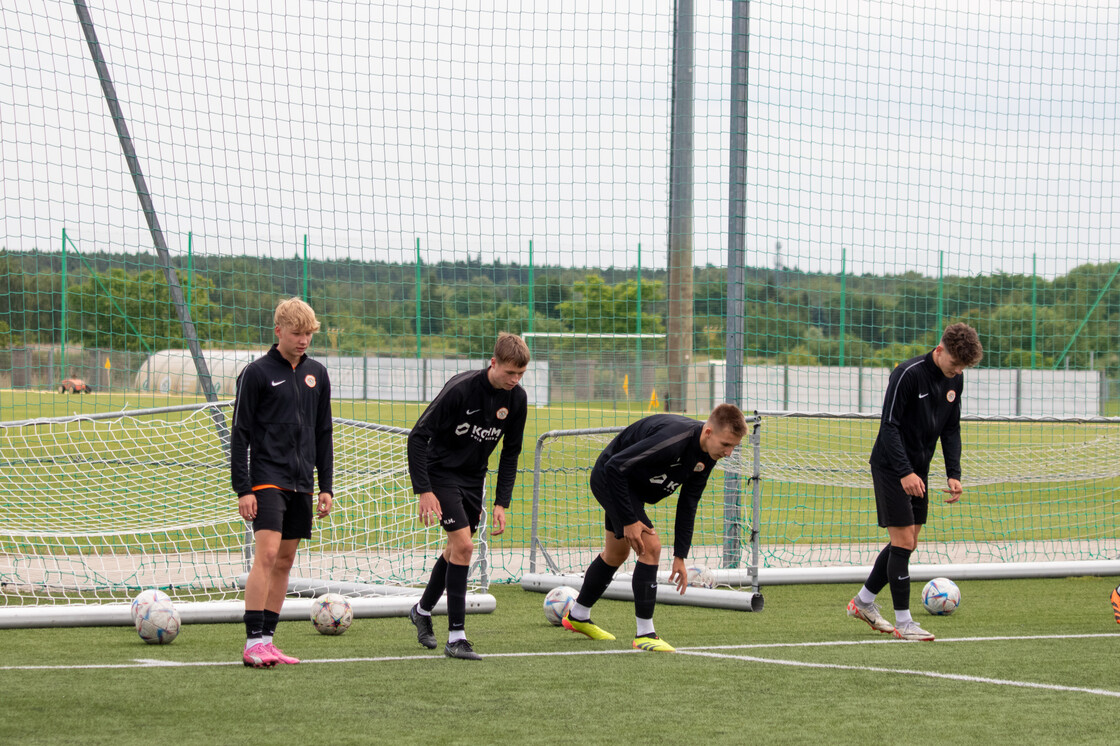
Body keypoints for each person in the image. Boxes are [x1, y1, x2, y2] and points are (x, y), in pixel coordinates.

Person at [561, 403, 748, 652]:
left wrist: (680, 556)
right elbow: (615, 467)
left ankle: (578, 615)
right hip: (611, 479)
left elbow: (688, 503)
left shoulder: (707, 456)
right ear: (708, 432)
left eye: (734, 446)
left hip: (632, 488)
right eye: (726, 444)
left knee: (616, 554)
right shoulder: (674, 439)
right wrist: (629, 520)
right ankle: (645, 634)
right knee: (651, 547)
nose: (729, 453)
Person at [847, 322, 982, 641]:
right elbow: (889, 426)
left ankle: (863, 602)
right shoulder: (907, 374)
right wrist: (905, 472)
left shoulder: (956, 380)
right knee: (904, 542)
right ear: (940, 350)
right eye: (954, 363)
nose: (957, 371)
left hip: (918, 470)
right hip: (891, 466)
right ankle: (904, 623)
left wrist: (954, 473)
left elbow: (951, 428)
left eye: (962, 367)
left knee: (906, 543)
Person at [407, 333, 530, 660]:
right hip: (441, 471)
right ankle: (457, 637)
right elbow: (418, 437)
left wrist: (502, 501)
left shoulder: (517, 399)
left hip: (473, 478)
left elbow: (511, 453)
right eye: (509, 373)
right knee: (463, 546)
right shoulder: (461, 389)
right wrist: (424, 490)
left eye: (520, 375)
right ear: (493, 363)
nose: (514, 380)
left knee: (454, 550)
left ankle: (421, 610)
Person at [231, 297, 334, 667]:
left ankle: (269, 641)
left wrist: (326, 486)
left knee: (286, 560)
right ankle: (252, 642)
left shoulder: (318, 374)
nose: (303, 340)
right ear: (278, 331)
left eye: (308, 334)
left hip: (302, 482)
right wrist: (242, 488)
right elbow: (240, 433)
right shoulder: (256, 373)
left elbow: (324, 433)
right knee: (268, 555)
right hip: (266, 478)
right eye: (296, 333)